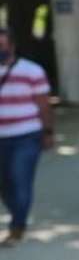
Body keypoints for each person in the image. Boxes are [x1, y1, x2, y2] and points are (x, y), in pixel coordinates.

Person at [0, 27, 53, 245]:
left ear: (12, 46)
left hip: (27, 134)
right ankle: (18, 214)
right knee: (4, 182)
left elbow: (43, 103)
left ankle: (17, 227)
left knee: (20, 178)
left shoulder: (32, 71)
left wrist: (48, 130)